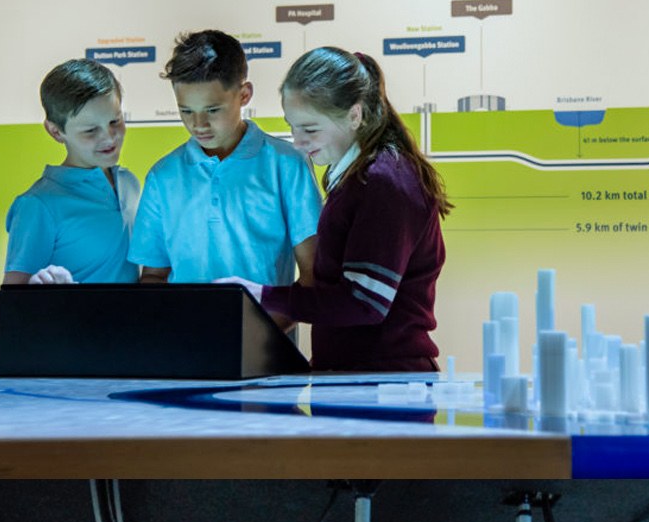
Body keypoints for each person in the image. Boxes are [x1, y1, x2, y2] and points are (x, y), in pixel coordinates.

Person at [249, 48, 449, 373]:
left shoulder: (383, 182)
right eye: (293, 127)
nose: (298, 143)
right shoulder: (358, 177)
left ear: (354, 116)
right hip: (360, 379)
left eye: (310, 130)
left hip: (384, 389)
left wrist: (263, 294)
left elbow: (364, 303)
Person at [127, 31, 321, 291]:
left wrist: (264, 330)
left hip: (269, 330)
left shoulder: (288, 164)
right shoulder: (162, 176)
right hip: (185, 331)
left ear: (244, 95)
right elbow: (154, 276)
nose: (199, 124)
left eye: (212, 110)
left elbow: (312, 275)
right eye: (186, 111)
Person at [1, 59, 139, 286]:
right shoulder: (37, 205)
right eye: (90, 130)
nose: (109, 136)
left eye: (115, 120)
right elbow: (13, 300)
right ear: (55, 131)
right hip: (74, 322)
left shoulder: (129, 182)